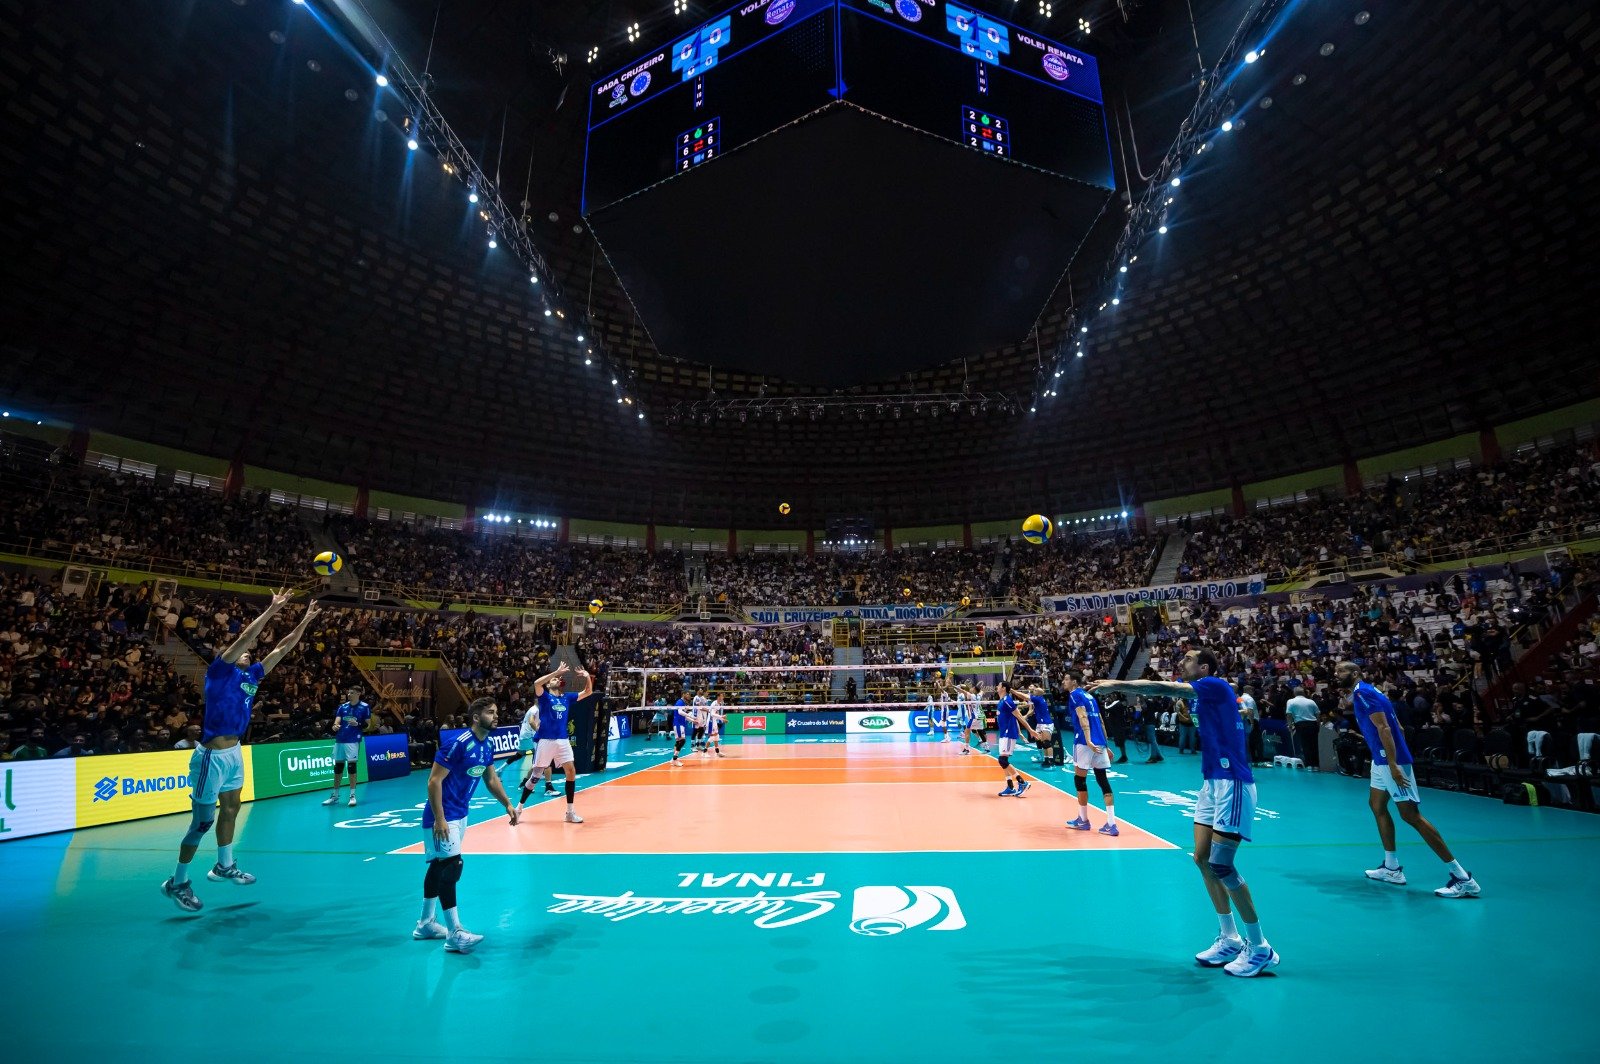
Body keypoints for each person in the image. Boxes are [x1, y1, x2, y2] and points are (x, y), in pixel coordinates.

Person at [1092, 649, 1277, 977]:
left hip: (1232, 783)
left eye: (1189, 659)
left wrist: (1118, 684)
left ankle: (1260, 946)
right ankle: (1230, 938)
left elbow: (1165, 688)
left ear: (1204, 667)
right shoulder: (1203, 697)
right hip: (1210, 784)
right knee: (1202, 859)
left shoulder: (1215, 684)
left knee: (1222, 864)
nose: (1182, 662)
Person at [161, 591, 320, 914]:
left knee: (232, 809)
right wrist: (272, 609)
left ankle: (224, 865)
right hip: (211, 757)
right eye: (244, 652)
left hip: (235, 754)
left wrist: (305, 620)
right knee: (202, 823)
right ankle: (177, 882)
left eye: (249, 654)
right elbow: (248, 636)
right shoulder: (219, 672)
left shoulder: (251, 677)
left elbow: (282, 648)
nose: (249, 653)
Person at [1335, 662, 1480, 899]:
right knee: (1377, 805)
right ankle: (1391, 868)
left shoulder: (1362, 693)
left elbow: (1385, 729)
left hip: (1388, 760)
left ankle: (1463, 878)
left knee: (1411, 816)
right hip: (1381, 759)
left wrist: (1395, 764)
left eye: (1341, 671)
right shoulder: (1371, 691)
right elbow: (1398, 727)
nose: (1336, 675)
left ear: (1355, 673)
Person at [414, 696, 519, 953]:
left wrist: (507, 804)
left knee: (439, 867)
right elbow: (433, 781)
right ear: (476, 717)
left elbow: (491, 778)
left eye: (496, 712)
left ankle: (426, 924)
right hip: (443, 815)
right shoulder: (456, 745)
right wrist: (440, 818)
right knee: (452, 866)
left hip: (460, 814)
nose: (496, 716)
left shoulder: (487, 744)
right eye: (491, 713)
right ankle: (455, 933)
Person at [515, 662, 592, 824]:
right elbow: (537, 683)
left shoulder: (567, 698)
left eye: (558, 678)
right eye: (554, 679)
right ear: (549, 683)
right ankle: (519, 808)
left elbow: (588, 692)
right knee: (536, 776)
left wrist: (587, 677)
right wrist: (555, 672)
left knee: (571, 771)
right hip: (545, 740)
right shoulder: (544, 697)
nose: (557, 679)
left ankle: (569, 813)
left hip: (563, 740)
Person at [1062, 670, 1118, 836]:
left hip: (1084, 742)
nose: (1063, 682)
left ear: (1074, 682)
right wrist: (1106, 745)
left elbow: (1083, 717)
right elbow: (1100, 720)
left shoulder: (1074, 695)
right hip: (1099, 742)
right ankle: (1111, 824)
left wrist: (1088, 740)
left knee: (1080, 780)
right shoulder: (1090, 697)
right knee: (1103, 780)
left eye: (1066, 679)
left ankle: (1083, 820)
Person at [322, 686, 371, 808]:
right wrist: (334, 726)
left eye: (352, 692)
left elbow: (368, 725)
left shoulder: (364, 707)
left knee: (351, 767)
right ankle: (335, 796)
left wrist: (358, 724)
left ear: (359, 693)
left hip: (353, 740)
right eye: (348, 692)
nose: (349, 694)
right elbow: (336, 722)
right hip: (340, 740)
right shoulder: (342, 707)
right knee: (338, 768)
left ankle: (352, 796)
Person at [501, 698, 556, 796]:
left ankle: (524, 783)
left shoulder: (537, 710)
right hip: (529, 736)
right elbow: (531, 722)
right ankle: (547, 786)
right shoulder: (535, 709)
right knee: (543, 760)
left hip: (526, 736)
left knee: (525, 756)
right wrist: (539, 732)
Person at [994, 680, 1034, 798]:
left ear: (1004, 688)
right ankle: (1010, 787)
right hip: (1003, 734)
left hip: (1008, 733)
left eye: (999, 685)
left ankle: (1022, 782)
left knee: (1002, 761)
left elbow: (1019, 717)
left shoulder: (1007, 701)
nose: (997, 686)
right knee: (1003, 761)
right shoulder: (1001, 701)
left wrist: (1030, 730)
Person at [1027, 684, 1060, 767]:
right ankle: (1045, 759)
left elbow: (1025, 697)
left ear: (1037, 693)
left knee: (1047, 743)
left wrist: (1013, 691)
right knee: (1041, 742)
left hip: (1046, 723)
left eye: (1034, 690)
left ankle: (1051, 761)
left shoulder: (1037, 698)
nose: (1033, 690)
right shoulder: (1038, 699)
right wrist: (1025, 716)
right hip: (1040, 723)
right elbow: (1032, 710)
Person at [959, 683, 985, 755]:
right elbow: (981, 691)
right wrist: (979, 687)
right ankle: (987, 748)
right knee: (980, 732)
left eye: (973, 688)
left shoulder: (972, 695)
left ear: (974, 690)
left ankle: (966, 749)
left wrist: (952, 686)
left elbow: (961, 690)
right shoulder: (979, 696)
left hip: (973, 717)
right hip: (978, 717)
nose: (971, 689)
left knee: (967, 732)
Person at [671, 690, 694, 765]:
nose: (689, 696)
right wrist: (689, 715)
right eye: (687, 694)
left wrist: (693, 720)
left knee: (678, 742)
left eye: (689, 694)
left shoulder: (682, 703)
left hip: (679, 723)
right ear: (683, 694)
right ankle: (675, 759)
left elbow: (684, 716)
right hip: (679, 724)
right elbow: (680, 712)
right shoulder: (680, 702)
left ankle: (674, 759)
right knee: (682, 741)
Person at [704, 693, 726, 757]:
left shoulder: (719, 704)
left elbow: (715, 714)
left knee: (717, 736)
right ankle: (704, 752)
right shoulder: (714, 703)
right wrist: (721, 717)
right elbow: (712, 714)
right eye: (722, 696)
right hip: (711, 722)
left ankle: (717, 752)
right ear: (718, 697)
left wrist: (721, 718)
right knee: (712, 737)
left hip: (714, 721)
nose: (723, 697)